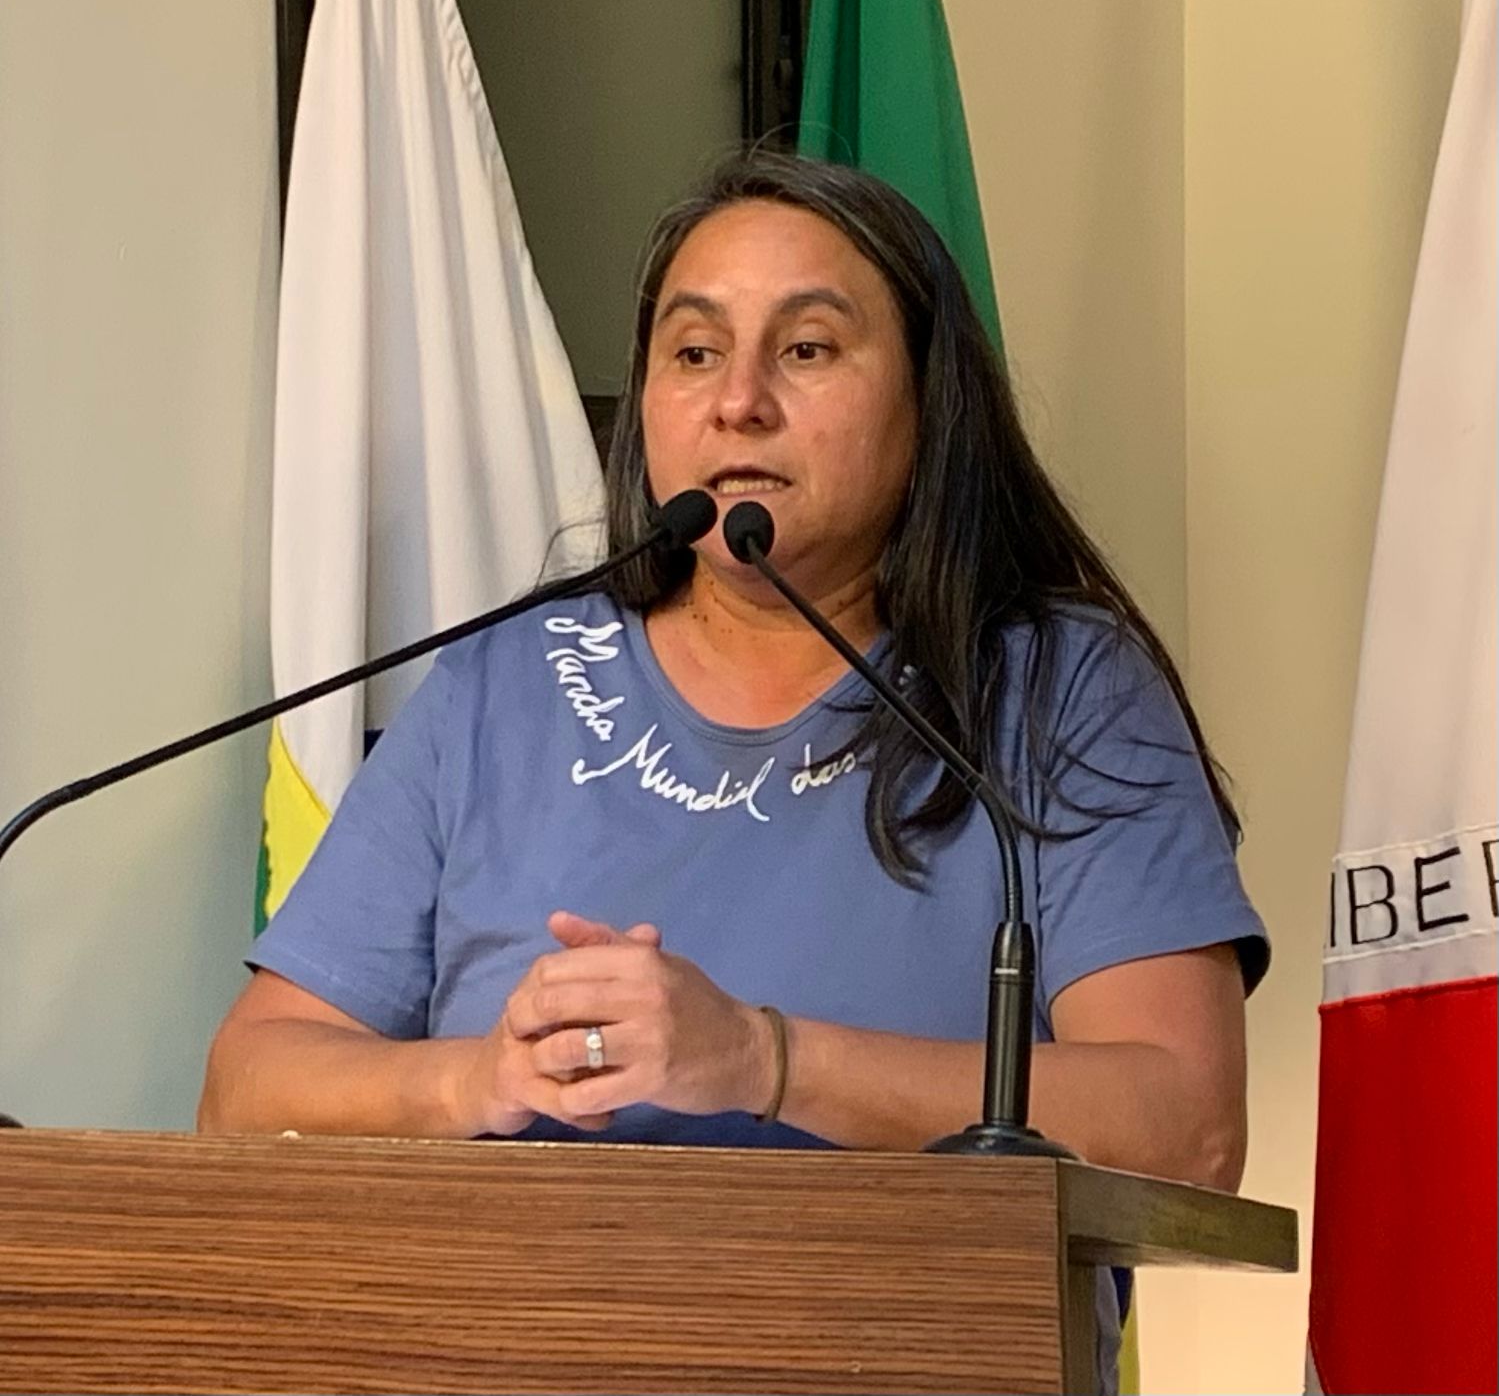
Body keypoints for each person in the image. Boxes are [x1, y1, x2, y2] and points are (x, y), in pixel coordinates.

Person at [200, 151, 1265, 1294]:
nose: (738, 400)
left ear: (927, 400)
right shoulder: (502, 684)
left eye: (806, 348)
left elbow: (1185, 1128)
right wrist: (482, 1080)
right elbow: (247, 1087)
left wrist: (763, 1058)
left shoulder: (1058, 688)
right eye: (694, 352)